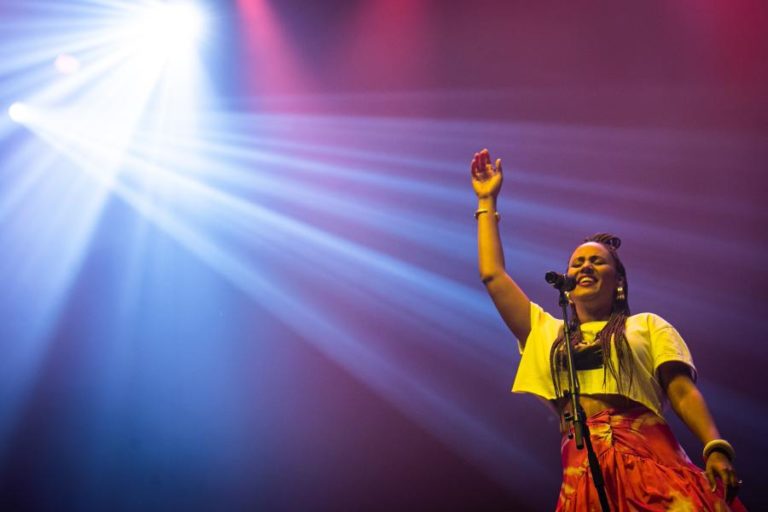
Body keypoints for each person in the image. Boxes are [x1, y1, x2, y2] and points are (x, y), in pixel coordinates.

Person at [470, 148, 745, 511]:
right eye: (577, 262)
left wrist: (715, 447)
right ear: (567, 280)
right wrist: (487, 201)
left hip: (653, 468)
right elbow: (493, 276)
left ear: (617, 281)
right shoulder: (547, 333)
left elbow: (681, 392)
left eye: (596, 261)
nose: (585, 266)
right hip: (581, 474)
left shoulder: (645, 326)